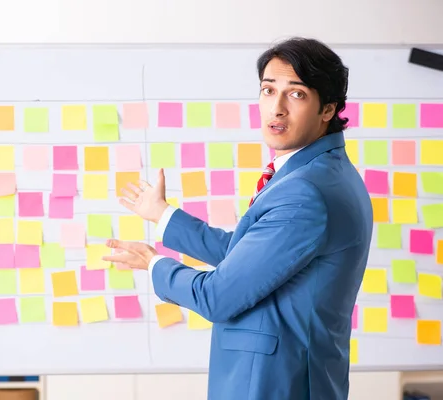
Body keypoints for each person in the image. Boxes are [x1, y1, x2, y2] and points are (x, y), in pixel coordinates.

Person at [102, 37, 373, 400]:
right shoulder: (321, 173)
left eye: (295, 94)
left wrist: (154, 265)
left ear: (328, 109)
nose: (275, 109)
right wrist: (163, 216)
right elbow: (249, 252)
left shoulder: (305, 191)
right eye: (267, 90)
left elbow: (217, 297)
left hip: (274, 383)